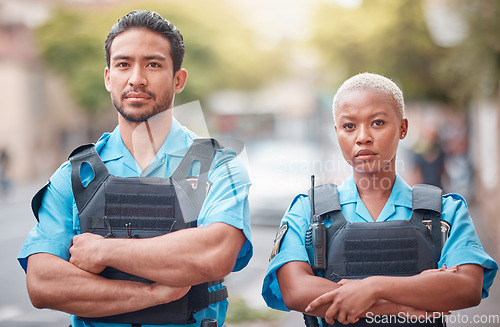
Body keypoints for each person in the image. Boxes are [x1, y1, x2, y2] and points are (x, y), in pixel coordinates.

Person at [18, 10, 252, 327]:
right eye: (123, 64)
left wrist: (104, 252)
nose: (136, 78)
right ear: (108, 77)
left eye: (153, 64)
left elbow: (215, 253)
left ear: (178, 79)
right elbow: (43, 283)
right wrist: (156, 293)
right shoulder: (75, 174)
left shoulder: (218, 166)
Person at [261, 73, 497, 326]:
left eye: (377, 122)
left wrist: (375, 286)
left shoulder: (444, 211)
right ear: (337, 132)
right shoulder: (308, 211)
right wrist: (396, 305)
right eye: (349, 126)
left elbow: (468, 286)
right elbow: (296, 292)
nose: (362, 136)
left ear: (403, 128)